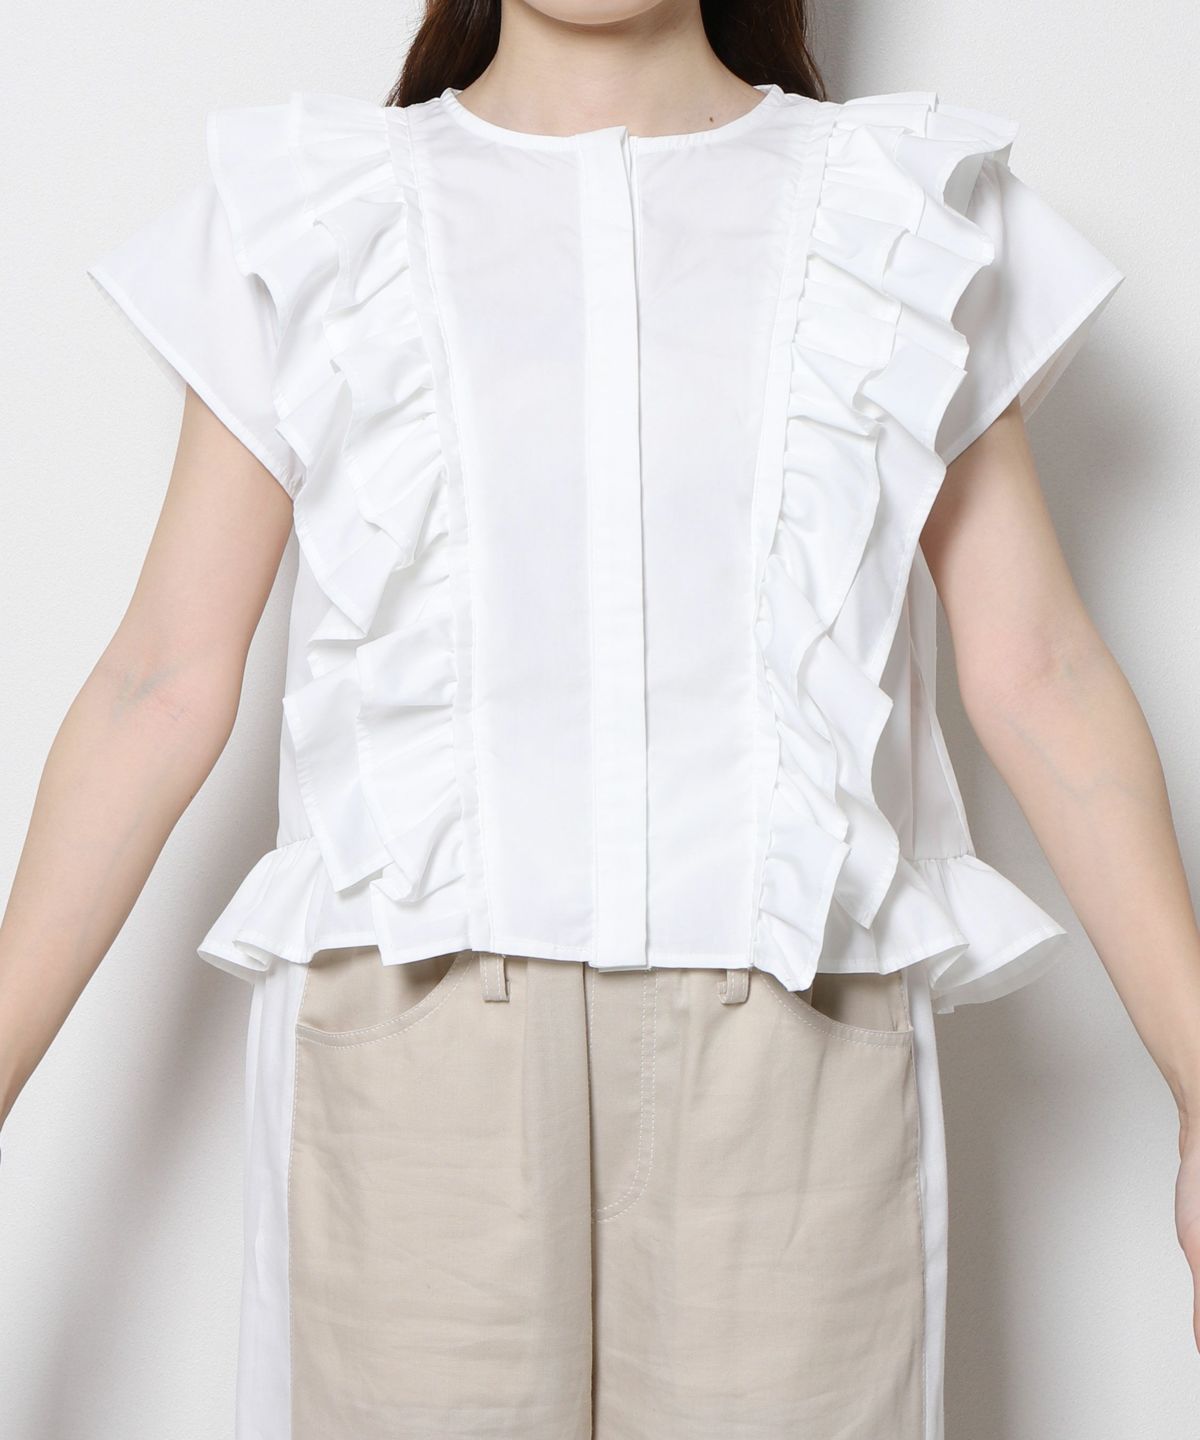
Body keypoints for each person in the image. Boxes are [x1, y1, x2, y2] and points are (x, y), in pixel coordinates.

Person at [2, 1, 1197, 1435]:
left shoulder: (894, 209)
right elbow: (158, 680)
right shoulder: (322, 210)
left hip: (794, 1051)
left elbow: (1042, 669)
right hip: (413, 1045)